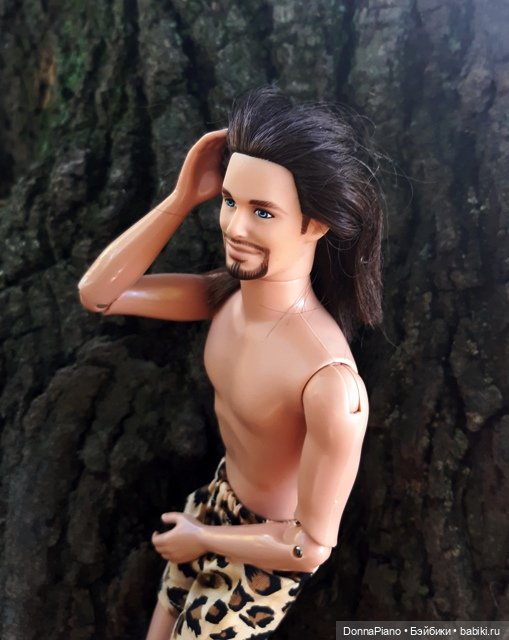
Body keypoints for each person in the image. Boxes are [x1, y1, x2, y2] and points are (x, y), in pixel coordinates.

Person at [78, 86, 384, 640]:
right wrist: (181, 199)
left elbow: (310, 546)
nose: (234, 227)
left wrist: (203, 539)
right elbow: (98, 294)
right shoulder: (223, 298)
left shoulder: (330, 385)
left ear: (315, 224)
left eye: (263, 211)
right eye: (228, 201)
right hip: (216, 502)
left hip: (265, 556)